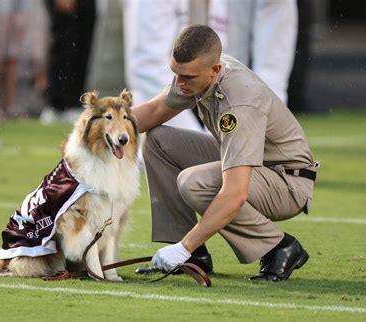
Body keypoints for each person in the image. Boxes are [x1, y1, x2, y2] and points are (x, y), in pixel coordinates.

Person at [132, 25, 319, 281]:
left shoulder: (239, 100)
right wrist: (98, 126)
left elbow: (235, 194)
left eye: (187, 77)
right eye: (176, 74)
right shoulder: (200, 74)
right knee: (157, 140)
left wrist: (182, 248)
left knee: (194, 183)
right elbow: (153, 112)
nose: (179, 83)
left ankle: (280, 246)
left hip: (287, 181)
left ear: (215, 70)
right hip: (255, 165)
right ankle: (194, 255)